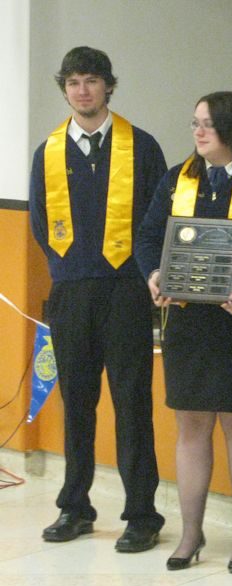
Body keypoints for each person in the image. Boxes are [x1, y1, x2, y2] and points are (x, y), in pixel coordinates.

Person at [135, 91, 232, 573]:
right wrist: (155, 276)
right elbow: (148, 237)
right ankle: (191, 532)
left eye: (208, 124)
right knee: (192, 426)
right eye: (194, 123)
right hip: (188, 321)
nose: (198, 132)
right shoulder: (177, 178)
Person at [28, 46, 166, 552]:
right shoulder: (48, 151)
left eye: (91, 81)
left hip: (127, 292)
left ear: (109, 85)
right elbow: (43, 225)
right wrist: (69, 272)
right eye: (73, 82)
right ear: (64, 88)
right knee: (77, 405)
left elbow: (157, 224)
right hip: (71, 293)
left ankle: (142, 514)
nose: (82, 90)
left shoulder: (142, 147)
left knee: (132, 404)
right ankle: (75, 506)